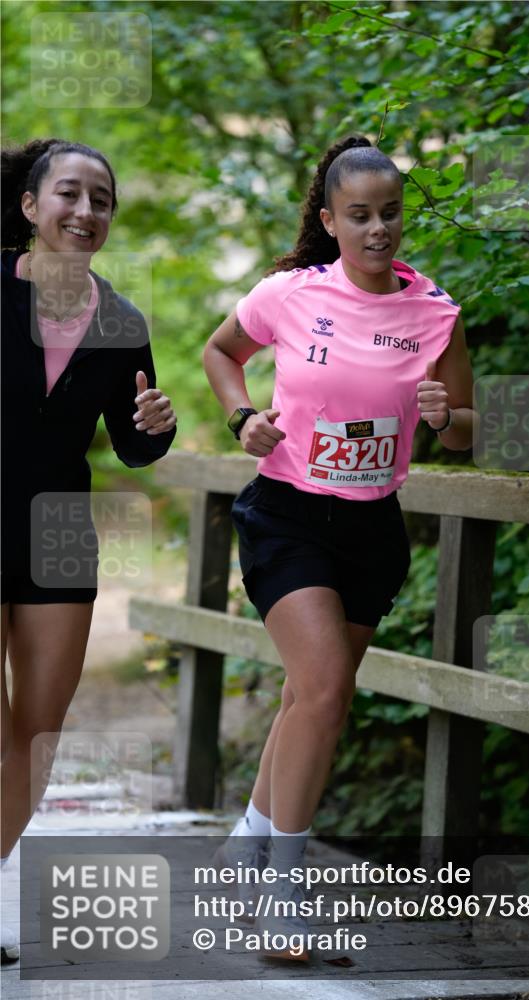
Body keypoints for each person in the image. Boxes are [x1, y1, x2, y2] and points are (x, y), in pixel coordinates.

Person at [203, 134, 474, 961]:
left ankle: (246, 846)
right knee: (322, 690)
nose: (377, 228)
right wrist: (241, 417)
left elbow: (463, 433)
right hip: (286, 514)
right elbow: (220, 352)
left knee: (309, 697)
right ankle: (282, 896)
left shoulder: (435, 311)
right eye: (358, 215)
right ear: (329, 220)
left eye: (389, 213)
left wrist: (446, 418)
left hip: (370, 528)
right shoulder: (289, 294)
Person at [0, 139, 177, 964]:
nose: (85, 210)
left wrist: (155, 428)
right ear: (30, 206)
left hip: (61, 534)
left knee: (38, 734)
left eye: (100, 199)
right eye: (68, 193)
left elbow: (133, 447)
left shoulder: (122, 321)